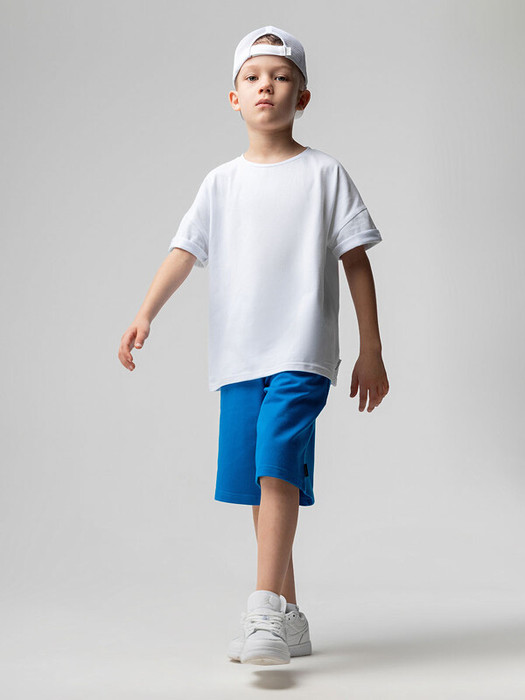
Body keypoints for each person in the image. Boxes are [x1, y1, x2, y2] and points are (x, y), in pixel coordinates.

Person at [118, 25, 389, 666]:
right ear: (234, 97)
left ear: (303, 96)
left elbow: (356, 262)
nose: (267, 85)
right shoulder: (220, 183)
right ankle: (288, 616)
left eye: (282, 76)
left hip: (301, 352)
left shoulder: (325, 174)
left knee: (275, 463)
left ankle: (262, 608)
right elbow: (184, 252)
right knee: (256, 482)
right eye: (253, 77)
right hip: (238, 358)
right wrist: (145, 313)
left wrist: (372, 349)